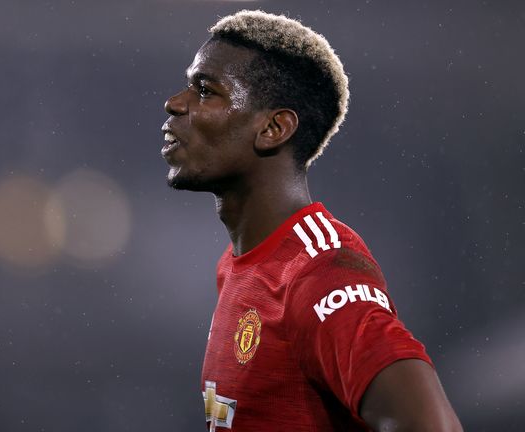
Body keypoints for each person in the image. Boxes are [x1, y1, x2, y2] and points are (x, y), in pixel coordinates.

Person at [160, 10, 462, 431]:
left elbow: (430, 426)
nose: (175, 103)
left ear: (273, 129)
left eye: (206, 91)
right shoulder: (240, 265)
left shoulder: (319, 271)